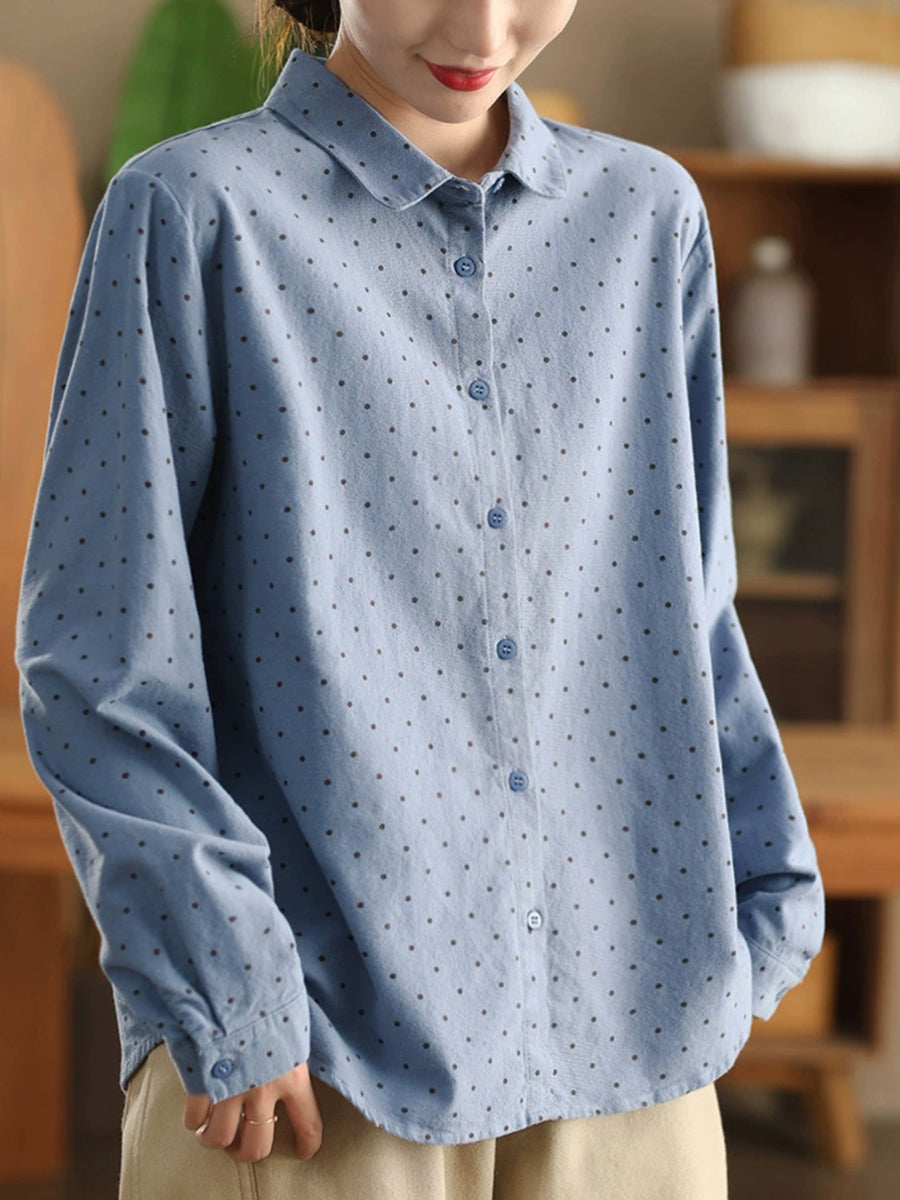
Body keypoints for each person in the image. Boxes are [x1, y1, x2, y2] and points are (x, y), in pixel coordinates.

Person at [15, 1, 826, 1196]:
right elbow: (98, 659)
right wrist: (229, 988)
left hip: (636, 1040)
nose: (482, 26)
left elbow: (688, 606)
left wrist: (758, 905)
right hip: (311, 1063)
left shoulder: (646, 219)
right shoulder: (190, 210)